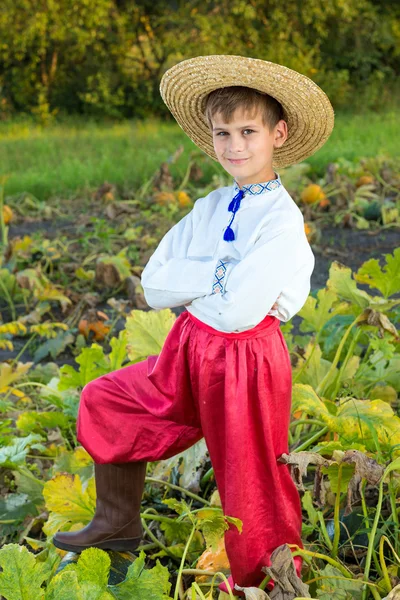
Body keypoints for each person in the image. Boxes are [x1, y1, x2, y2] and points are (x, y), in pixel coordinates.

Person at [53, 55, 334, 596]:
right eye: (222, 132)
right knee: (108, 398)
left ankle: (268, 581)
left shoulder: (280, 220)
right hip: (189, 347)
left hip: (246, 359)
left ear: (278, 134)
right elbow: (154, 284)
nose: (233, 146)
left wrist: (201, 283)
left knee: (251, 477)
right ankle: (117, 524)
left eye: (248, 132)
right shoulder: (210, 206)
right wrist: (223, 272)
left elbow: (236, 314)